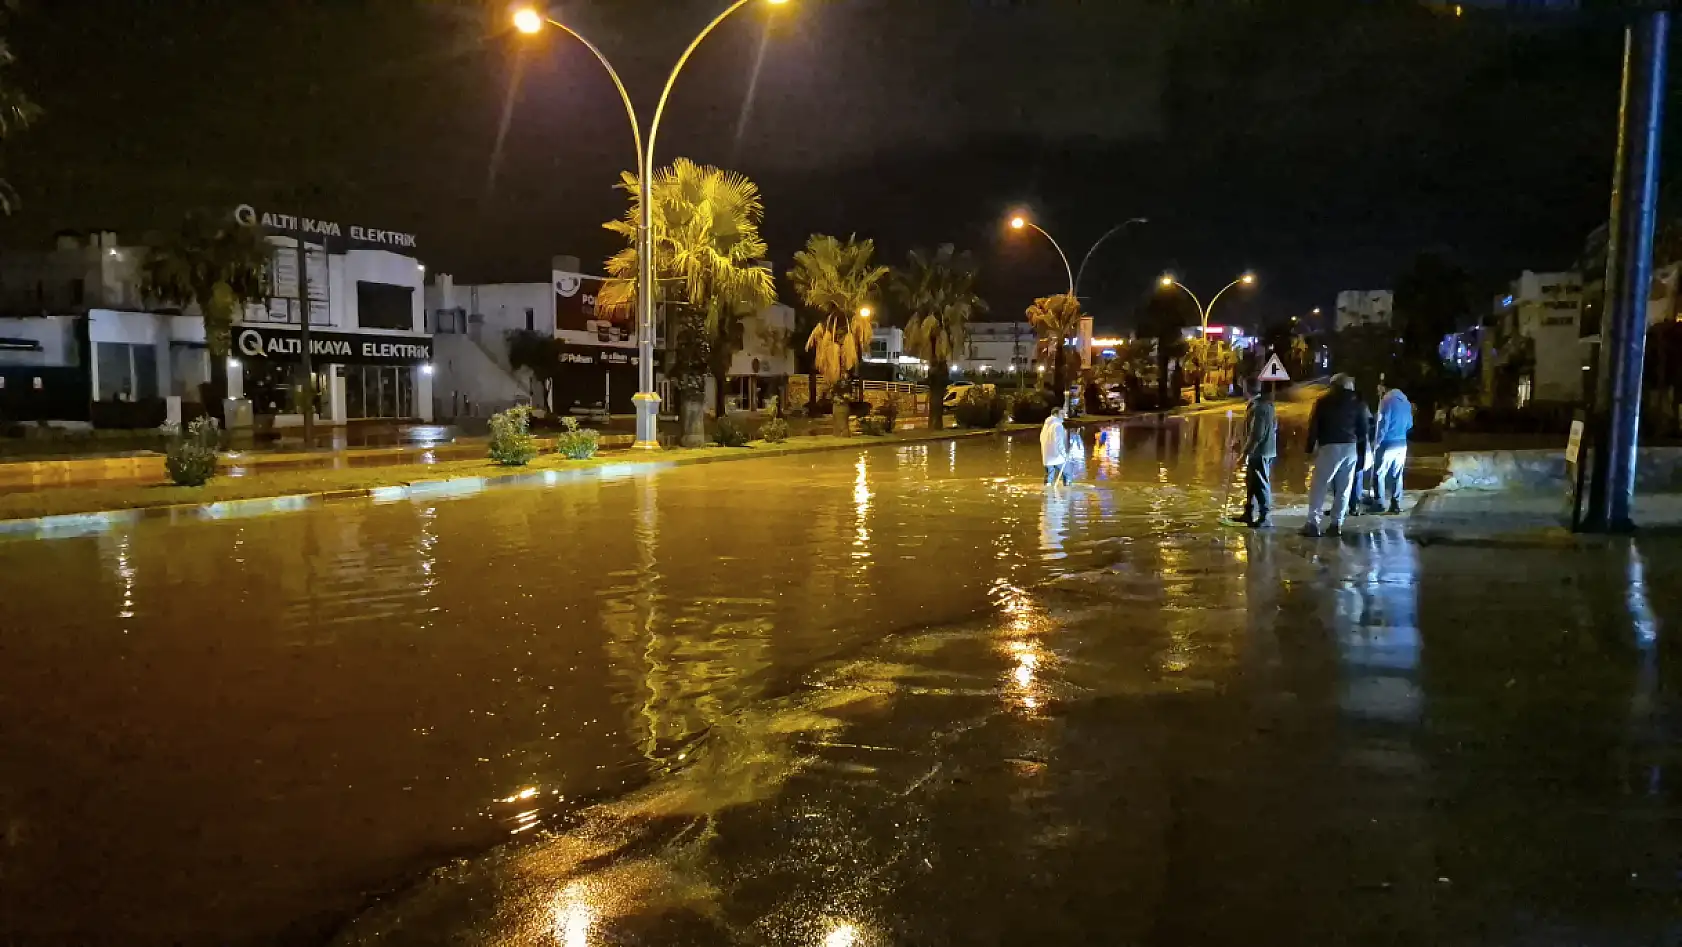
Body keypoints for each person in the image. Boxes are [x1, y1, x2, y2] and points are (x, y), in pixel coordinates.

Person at [1303, 374, 1372, 537]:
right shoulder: (1359, 403)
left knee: (1319, 486)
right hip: (1350, 448)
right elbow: (1363, 431)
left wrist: (1309, 449)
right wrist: (1361, 454)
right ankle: (1336, 524)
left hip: (1329, 447)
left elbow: (1314, 426)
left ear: (1333, 386)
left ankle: (1313, 523)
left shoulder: (1323, 402)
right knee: (1344, 488)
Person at [1238, 381, 1278, 527]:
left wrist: (1244, 454)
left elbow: (1257, 434)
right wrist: (1239, 442)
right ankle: (1248, 512)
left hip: (1260, 452)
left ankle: (1264, 516)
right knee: (1251, 482)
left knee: (1261, 483)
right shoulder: (1259, 404)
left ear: (1247, 389)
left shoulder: (1260, 407)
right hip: (1262, 450)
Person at [1373, 384, 1414, 514]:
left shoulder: (1386, 401)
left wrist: (1377, 441)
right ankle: (1395, 503)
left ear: (1385, 388)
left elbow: (1383, 423)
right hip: (1402, 443)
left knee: (1379, 473)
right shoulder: (1406, 402)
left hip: (1387, 443)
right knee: (1397, 474)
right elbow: (1410, 424)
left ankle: (1379, 503)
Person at [1040, 406, 1070, 488]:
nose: (1064, 415)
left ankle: (1047, 494)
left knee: (1049, 477)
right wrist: (1064, 455)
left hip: (1047, 456)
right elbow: (1059, 442)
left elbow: (1041, 438)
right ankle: (1067, 493)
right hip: (1057, 456)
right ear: (1056, 414)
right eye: (1062, 413)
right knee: (1067, 474)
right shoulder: (1058, 426)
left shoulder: (1046, 424)